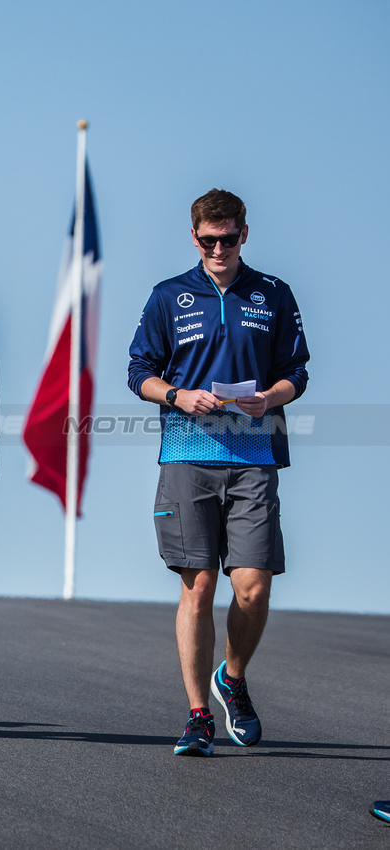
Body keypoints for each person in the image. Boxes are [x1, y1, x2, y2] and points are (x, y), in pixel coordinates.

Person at [128, 188, 310, 756]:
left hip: (255, 457)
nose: (218, 249)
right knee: (199, 586)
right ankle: (198, 716)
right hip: (187, 457)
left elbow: (297, 373)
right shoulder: (168, 296)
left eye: (227, 239)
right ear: (194, 238)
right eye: (208, 241)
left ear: (243, 235)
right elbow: (138, 372)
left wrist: (270, 397)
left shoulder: (274, 294)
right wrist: (178, 396)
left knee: (252, 589)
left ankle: (231, 677)